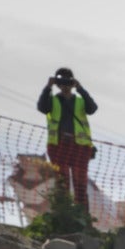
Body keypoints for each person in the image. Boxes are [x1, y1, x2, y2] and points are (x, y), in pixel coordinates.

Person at [36, 68, 97, 211]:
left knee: (80, 182)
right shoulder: (53, 101)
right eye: (61, 82)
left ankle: (82, 215)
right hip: (58, 146)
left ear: (72, 82)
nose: (65, 85)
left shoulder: (81, 101)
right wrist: (47, 87)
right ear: (57, 83)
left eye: (68, 82)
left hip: (80, 147)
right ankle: (62, 212)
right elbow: (42, 107)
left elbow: (92, 108)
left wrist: (80, 89)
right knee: (61, 181)